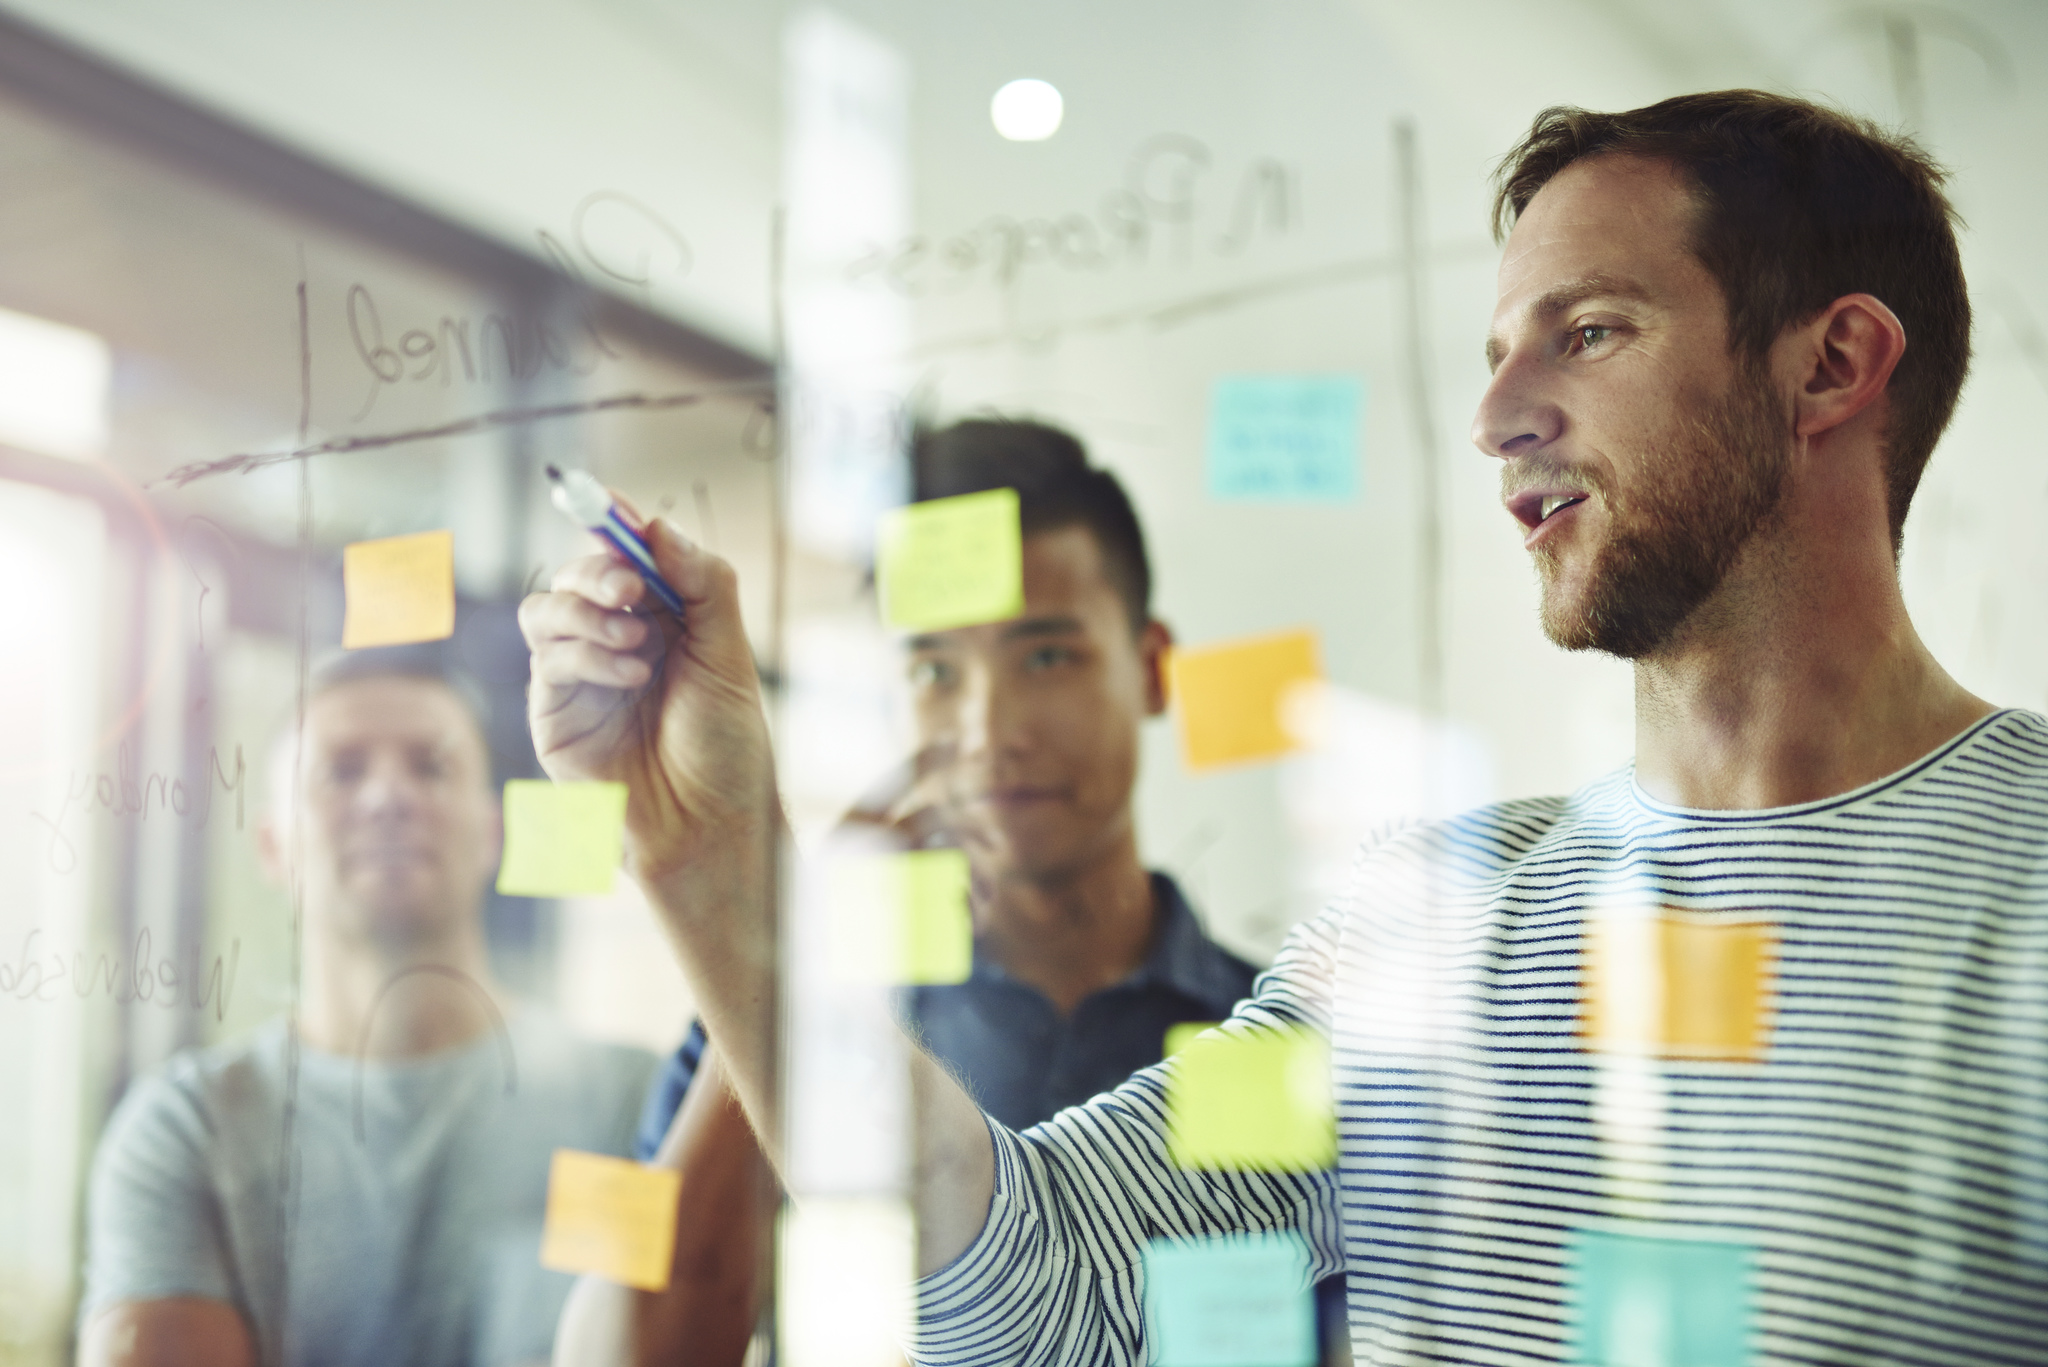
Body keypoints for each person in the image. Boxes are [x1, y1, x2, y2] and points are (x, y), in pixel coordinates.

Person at [518, 89, 2048, 1364]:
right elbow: (1043, 1288)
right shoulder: (1420, 922)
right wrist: (712, 848)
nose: (1496, 414)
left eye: (1588, 332)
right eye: (1498, 351)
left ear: (1833, 365)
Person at [548, 419, 1311, 1364]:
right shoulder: (755, 1011)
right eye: (934, 669)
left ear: (1153, 667)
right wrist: (798, 963)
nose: (990, 729)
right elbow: (615, 1354)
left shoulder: (1270, 1028)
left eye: (1045, 656)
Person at [78, 652, 659, 1367]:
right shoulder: (189, 1131)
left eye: (430, 766)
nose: (389, 796)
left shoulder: (624, 1105)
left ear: (489, 834)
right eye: (343, 769)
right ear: (273, 846)